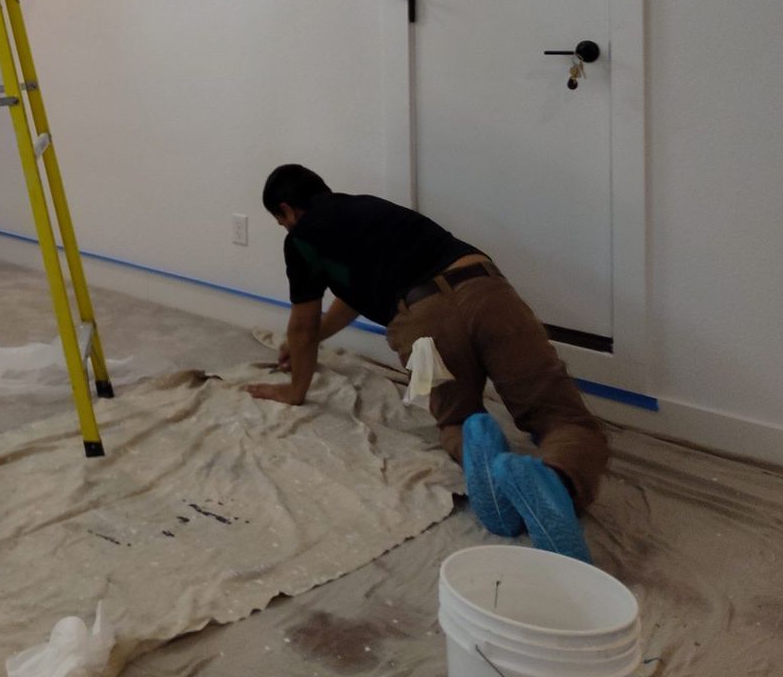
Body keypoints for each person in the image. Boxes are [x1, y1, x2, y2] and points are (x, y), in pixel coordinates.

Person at [242, 163, 608, 562]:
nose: (284, 228)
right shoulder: (372, 209)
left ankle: (485, 458)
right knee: (563, 419)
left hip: (423, 321)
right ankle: (556, 479)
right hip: (485, 290)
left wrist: (295, 389)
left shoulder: (302, 240)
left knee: (457, 420)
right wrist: (311, 342)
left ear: (286, 209)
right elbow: (349, 300)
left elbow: (302, 322)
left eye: (280, 221)